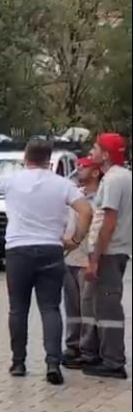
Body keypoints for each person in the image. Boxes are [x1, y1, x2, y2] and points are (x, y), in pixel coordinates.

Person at [0, 138, 93, 384]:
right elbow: (86, 211)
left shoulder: (12, 180)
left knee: (18, 309)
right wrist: (75, 240)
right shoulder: (62, 185)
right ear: (49, 159)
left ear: (26, 156)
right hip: (50, 249)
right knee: (51, 308)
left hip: (18, 251)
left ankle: (18, 363)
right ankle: (53, 364)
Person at [80, 133, 130, 379]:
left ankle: (113, 361)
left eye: (96, 148)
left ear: (107, 155)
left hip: (109, 253)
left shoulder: (112, 180)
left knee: (108, 306)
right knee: (95, 303)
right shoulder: (123, 177)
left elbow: (108, 221)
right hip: (113, 251)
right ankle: (94, 353)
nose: (92, 152)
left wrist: (95, 258)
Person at [61, 157, 102, 367]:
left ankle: (89, 350)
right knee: (72, 307)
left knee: (89, 308)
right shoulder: (75, 196)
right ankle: (72, 345)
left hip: (87, 258)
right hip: (70, 257)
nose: (79, 169)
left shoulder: (100, 198)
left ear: (95, 172)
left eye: (84, 166)